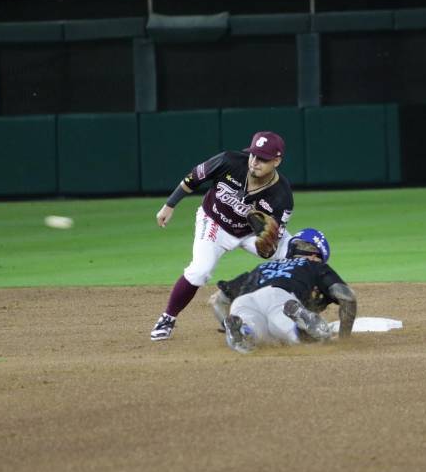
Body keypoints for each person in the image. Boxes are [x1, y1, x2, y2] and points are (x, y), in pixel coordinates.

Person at [150, 131, 294, 341]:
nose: (255, 162)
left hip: (249, 233)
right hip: (215, 223)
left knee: (294, 255)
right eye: (253, 155)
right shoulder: (229, 161)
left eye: (263, 159)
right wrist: (169, 205)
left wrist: (267, 246)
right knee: (200, 271)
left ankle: (293, 315)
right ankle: (167, 317)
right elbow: (194, 177)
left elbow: (270, 247)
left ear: (277, 161)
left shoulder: (282, 196)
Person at [220, 228, 358, 354]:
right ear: (315, 255)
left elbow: (218, 301)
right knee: (300, 336)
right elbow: (346, 297)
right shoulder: (314, 264)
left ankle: (241, 328)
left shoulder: (262, 267)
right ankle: (302, 324)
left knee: (254, 338)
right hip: (281, 300)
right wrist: (344, 339)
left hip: (243, 302)